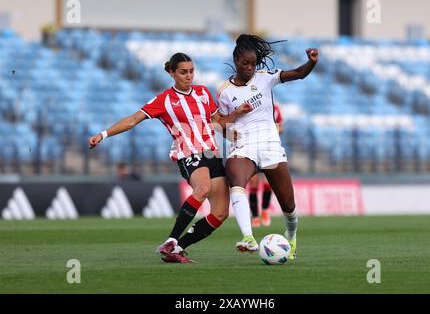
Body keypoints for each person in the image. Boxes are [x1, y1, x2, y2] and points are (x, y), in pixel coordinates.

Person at [89, 52, 252, 263]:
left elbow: (216, 122)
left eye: (192, 71)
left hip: (212, 153)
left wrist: (234, 120)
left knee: (220, 213)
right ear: (171, 73)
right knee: (201, 189)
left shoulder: (203, 93)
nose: (189, 76)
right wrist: (103, 134)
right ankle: (172, 239)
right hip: (188, 154)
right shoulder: (164, 100)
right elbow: (133, 119)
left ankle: (177, 248)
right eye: (183, 72)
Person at [217, 34, 319, 260]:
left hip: (270, 144)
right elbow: (220, 124)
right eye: (245, 63)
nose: (250, 68)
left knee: (288, 204)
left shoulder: (265, 78)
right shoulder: (224, 91)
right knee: (235, 178)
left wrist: (311, 62)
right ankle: (248, 237)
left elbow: (299, 74)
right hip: (244, 145)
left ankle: (291, 238)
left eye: (253, 64)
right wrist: (233, 119)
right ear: (235, 60)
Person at [248, 102, 283, 228]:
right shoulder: (252, 107)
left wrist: (272, 133)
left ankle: (265, 210)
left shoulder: (276, 108)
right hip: (252, 150)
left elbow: (281, 127)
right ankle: (255, 216)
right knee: (253, 184)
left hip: (268, 150)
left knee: (268, 183)